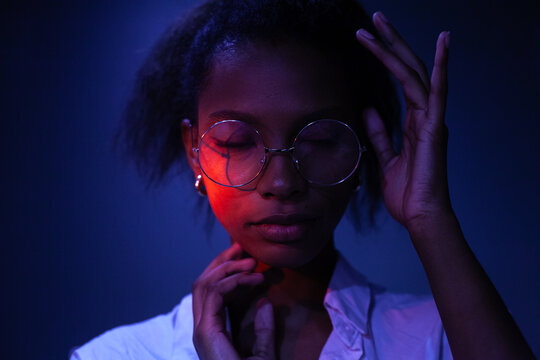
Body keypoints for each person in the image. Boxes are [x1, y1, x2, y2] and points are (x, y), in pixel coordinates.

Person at [70, 0, 535, 359]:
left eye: (321, 140)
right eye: (235, 141)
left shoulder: (435, 338)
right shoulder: (120, 354)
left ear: (364, 146)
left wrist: (429, 217)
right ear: (194, 149)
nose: (281, 181)